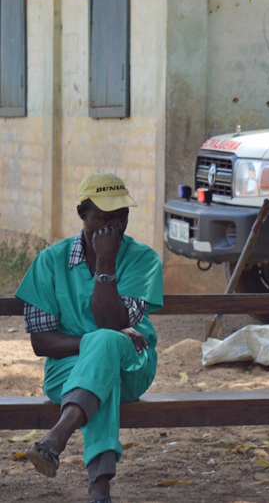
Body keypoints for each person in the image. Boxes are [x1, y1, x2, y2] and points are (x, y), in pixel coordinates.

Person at [15, 173, 163, 503]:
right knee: (103, 362)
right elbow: (41, 343)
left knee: (107, 345)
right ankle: (99, 490)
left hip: (132, 365)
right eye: (105, 217)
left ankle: (56, 437)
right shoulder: (49, 261)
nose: (115, 225)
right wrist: (90, 342)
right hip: (65, 372)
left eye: (122, 215)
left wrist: (106, 263)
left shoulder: (143, 259)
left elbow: (113, 323)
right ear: (82, 213)